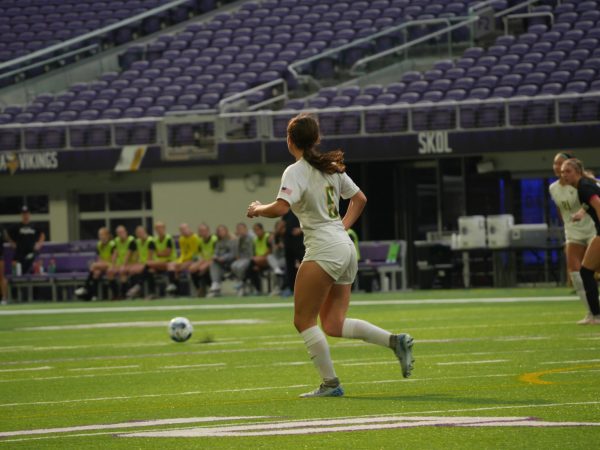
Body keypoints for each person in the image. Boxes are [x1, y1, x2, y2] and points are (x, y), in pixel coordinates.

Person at [246, 113, 414, 397]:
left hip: (325, 248)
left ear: (290, 140)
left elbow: (280, 208)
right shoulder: (330, 167)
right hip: (345, 246)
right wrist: (342, 227)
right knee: (333, 323)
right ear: (317, 139)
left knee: (303, 320)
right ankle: (395, 342)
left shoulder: (296, 170)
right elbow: (359, 199)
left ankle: (330, 384)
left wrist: (257, 208)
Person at [549, 152, 597, 321]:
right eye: (556, 164)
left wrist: (584, 211)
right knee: (575, 272)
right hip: (573, 232)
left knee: (592, 271)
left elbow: (595, 198)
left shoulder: (584, 183)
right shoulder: (553, 188)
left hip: (592, 229)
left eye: (562, 164)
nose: (558, 167)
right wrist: (567, 228)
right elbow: (561, 210)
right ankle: (592, 312)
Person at [561, 158, 600, 324]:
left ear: (577, 171)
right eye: (562, 172)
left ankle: (596, 315)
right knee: (591, 271)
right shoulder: (584, 185)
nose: (564, 175)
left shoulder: (583, 186)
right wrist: (580, 214)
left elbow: (598, 205)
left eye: (567, 171)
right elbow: (589, 203)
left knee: (585, 272)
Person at [75, 227, 114, 301]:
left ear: (107, 235)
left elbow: (113, 260)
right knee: (96, 272)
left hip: (111, 265)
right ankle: (94, 295)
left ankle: (85, 287)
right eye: (99, 235)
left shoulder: (112, 244)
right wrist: (99, 264)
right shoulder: (99, 245)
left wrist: (99, 264)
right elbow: (99, 258)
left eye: (102, 235)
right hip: (102, 265)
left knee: (93, 265)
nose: (101, 237)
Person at [7, 206, 45, 275]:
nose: (25, 215)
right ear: (21, 215)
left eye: (27, 213)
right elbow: (7, 233)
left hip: (31, 252)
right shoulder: (17, 226)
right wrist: (11, 243)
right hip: (20, 253)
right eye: (24, 214)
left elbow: (42, 234)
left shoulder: (35, 226)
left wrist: (39, 244)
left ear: (29, 214)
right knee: (16, 269)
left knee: (37, 265)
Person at [165, 223, 200, 295]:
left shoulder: (195, 237)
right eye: (181, 230)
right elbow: (183, 253)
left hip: (194, 259)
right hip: (185, 259)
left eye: (184, 229)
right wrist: (179, 261)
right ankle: (173, 285)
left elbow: (194, 252)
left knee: (178, 268)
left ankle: (176, 288)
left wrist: (183, 261)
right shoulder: (181, 239)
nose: (183, 231)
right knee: (171, 265)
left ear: (189, 229)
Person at [146, 221, 177, 296]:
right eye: (157, 228)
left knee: (170, 266)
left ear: (164, 228)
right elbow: (152, 253)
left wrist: (159, 253)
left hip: (169, 261)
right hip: (159, 263)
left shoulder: (168, 239)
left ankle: (172, 285)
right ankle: (152, 292)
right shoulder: (154, 240)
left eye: (161, 228)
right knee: (150, 270)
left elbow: (167, 253)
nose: (159, 230)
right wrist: (160, 254)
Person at [126, 226, 156, 299]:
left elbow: (150, 258)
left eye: (140, 232)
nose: (139, 234)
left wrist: (140, 265)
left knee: (148, 271)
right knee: (132, 270)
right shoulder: (137, 242)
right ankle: (135, 292)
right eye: (137, 233)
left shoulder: (151, 241)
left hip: (153, 263)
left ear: (145, 232)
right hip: (143, 263)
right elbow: (137, 255)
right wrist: (135, 264)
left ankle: (150, 292)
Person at [107, 225, 136, 299]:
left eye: (122, 232)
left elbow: (128, 254)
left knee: (122, 271)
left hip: (131, 263)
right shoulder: (116, 241)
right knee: (110, 271)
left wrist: (124, 265)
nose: (120, 234)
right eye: (118, 233)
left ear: (126, 232)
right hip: (119, 263)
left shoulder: (131, 240)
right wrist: (112, 265)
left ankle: (124, 294)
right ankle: (115, 294)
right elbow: (115, 253)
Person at [189, 223, 218, 297]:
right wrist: (199, 262)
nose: (202, 232)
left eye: (203, 230)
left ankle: (211, 288)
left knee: (202, 269)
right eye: (200, 231)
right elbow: (199, 254)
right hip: (204, 260)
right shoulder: (200, 241)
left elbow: (216, 254)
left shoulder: (214, 239)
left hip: (214, 260)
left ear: (208, 231)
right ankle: (198, 289)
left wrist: (206, 262)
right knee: (192, 269)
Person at [281, 210, 304, 296]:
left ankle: (305, 288)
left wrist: (301, 229)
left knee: (304, 265)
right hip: (288, 241)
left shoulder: (303, 209)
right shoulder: (288, 211)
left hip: (300, 242)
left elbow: (313, 222)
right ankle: (291, 288)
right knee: (289, 266)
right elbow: (282, 223)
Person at [207, 225, 235, 297]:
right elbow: (216, 252)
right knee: (213, 264)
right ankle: (215, 284)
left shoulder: (232, 241)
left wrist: (223, 258)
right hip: (220, 264)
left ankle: (216, 285)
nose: (220, 232)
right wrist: (215, 256)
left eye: (222, 231)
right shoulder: (217, 242)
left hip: (230, 263)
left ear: (226, 231)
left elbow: (233, 253)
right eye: (219, 231)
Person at [230, 222, 255, 296]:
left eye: (241, 229)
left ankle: (241, 283)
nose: (240, 231)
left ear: (245, 229)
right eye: (238, 229)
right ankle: (241, 282)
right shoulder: (239, 239)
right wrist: (235, 240)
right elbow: (236, 252)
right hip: (242, 258)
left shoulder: (251, 236)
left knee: (239, 266)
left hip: (250, 258)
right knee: (233, 265)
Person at [248, 222, 271, 294]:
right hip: (257, 261)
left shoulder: (268, 237)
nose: (256, 232)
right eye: (255, 230)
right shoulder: (255, 240)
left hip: (266, 260)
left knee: (251, 264)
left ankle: (243, 280)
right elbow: (254, 252)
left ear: (262, 230)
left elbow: (270, 251)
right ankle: (258, 290)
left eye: (258, 230)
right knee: (253, 268)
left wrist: (261, 258)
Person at [266, 219, 287, 295]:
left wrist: (283, 246)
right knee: (269, 257)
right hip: (276, 259)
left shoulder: (287, 236)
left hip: (284, 258)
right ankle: (276, 269)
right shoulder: (273, 237)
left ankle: (276, 269)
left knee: (275, 272)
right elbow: (273, 251)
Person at [0, 226, 7, 304]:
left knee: (1, 276)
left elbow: (5, 238)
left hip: (0, 255)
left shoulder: (1, 228)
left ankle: (4, 298)